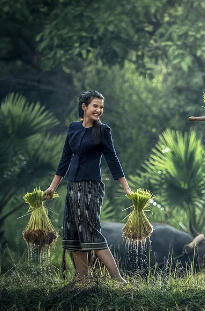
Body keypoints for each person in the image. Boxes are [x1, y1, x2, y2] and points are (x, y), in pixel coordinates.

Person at [44, 90, 131, 284]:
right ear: (84, 106)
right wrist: (52, 187)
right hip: (72, 187)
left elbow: (113, 160)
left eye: (101, 107)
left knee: (90, 233)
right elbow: (64, 160)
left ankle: (119, 280)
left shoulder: (103, 131)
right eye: (95, 106)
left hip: (91, 188)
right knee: (73, 233)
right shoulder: (73, 128)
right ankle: (82, 280)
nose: (99, 110)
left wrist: (126, 188)